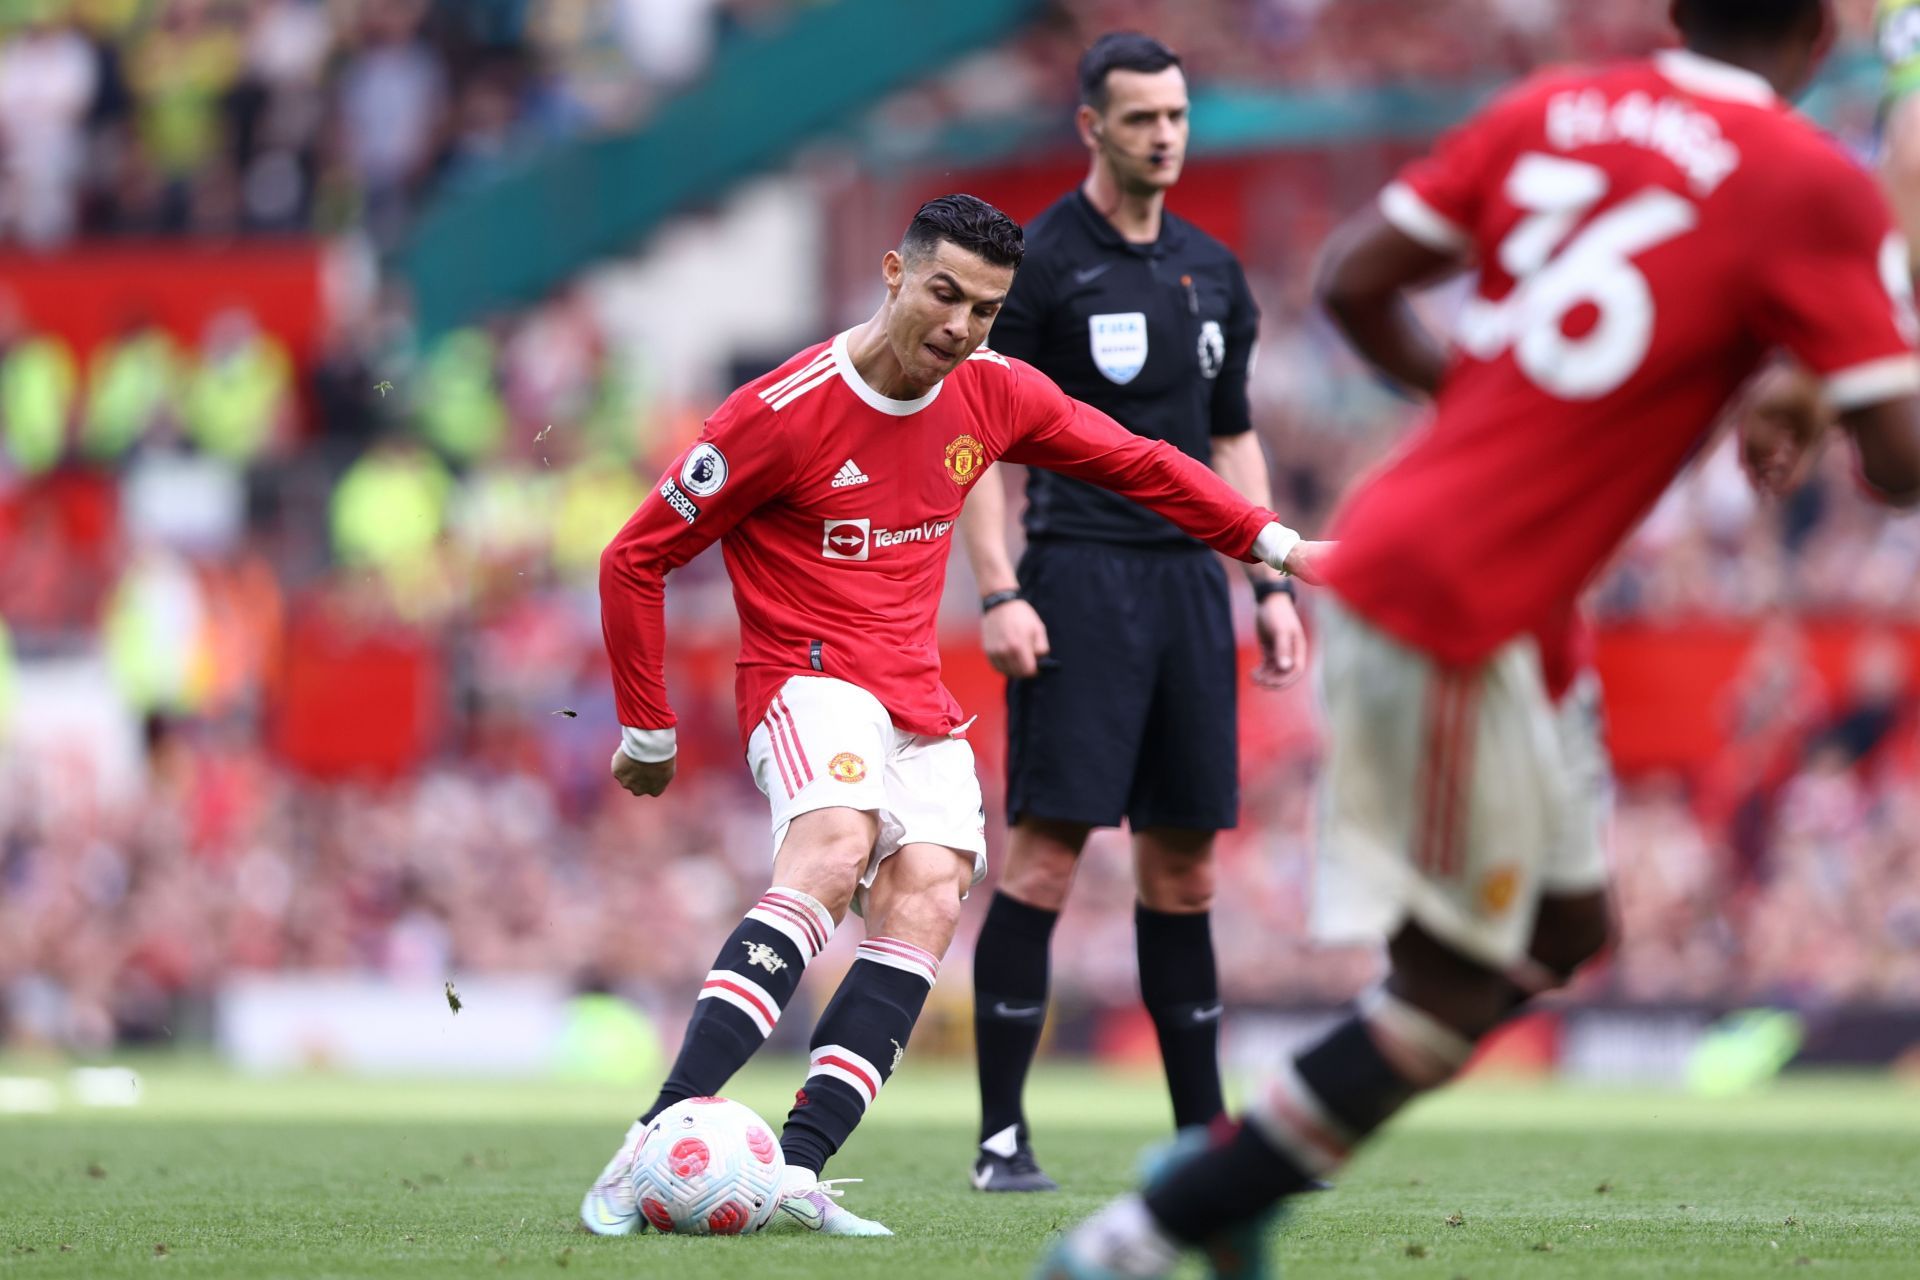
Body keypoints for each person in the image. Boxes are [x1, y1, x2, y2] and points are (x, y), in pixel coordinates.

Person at [1041, 1, 1920, 1274]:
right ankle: (1154, 1226)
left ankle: (1233, 1173)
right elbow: (1895, 466)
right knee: (1450, 985)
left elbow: (1353, 278)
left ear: (1674, 9)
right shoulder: (1810, 183)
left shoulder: (1551, 106)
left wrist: (1497, 421)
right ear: (1827, 30)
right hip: (1458, 595)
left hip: (1484, 574)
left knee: (1568, 929)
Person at [584, 193, 1330, 1239]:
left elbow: (1146, 464)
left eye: (983, 309)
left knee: (929, 897)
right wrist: (649, 728)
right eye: (942, 294)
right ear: (893, 272)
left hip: (915, 697)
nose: (958, 326)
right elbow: (635, 556)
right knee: (836, 844)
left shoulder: (993, 392)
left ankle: (794, 1167)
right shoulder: (778, 411)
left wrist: (1278, 546)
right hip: (805, 674)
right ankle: (654, 1137)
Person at [960, 32, 1309, 1195]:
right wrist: (1000, 587)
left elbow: (1231, 433)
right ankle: (1001, 1135)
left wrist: (1265, 579)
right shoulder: (1044, 266)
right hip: (1076, 577)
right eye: (1142, 116)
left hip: (1190, 587)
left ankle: (1201, 1138)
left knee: (1186, 869)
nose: (1165, 134)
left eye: (1178, 115)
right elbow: (980, 446)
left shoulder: (1213, 270)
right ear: (1091, 128)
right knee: (1049, 853)